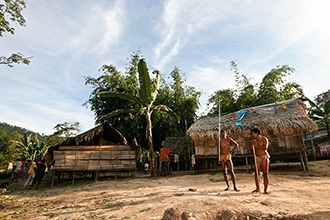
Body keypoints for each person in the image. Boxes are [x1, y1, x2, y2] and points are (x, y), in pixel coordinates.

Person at [250, 127, 270, 194]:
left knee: (265, 173)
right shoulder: (254, 141)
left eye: (253, 134)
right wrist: (252, 145)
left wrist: (256, 146)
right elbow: (252, 149)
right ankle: (257, 188)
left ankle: (265, 189)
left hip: (264, 157)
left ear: (257, 133)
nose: (252, 135)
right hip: (257, 157)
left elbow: (265, 148)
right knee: (256, 173)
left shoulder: (264, 139)